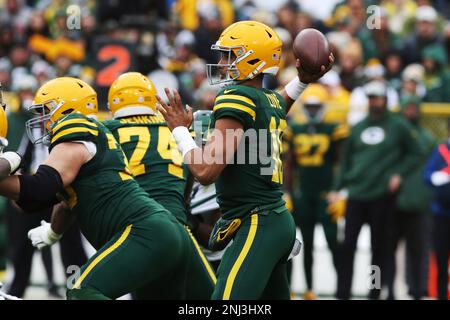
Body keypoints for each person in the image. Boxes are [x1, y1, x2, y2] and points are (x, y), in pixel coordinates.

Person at [156, 20, 333, 299]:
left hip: (256, 224)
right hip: (275, 220)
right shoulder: (266, 100)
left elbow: (204, 171)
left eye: (229, 55)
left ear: (252, 58)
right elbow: (278, 101)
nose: (222, 62)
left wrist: (179, 129)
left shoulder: (236, 98)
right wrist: (302, 81)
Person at [0, 77, 191, 300]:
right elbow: (36, 200)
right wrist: (53, 232)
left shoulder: (76, 126)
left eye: (45, 111)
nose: (41, 120)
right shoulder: (90, 138)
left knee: (82, 290)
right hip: (162, 231)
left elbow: (41, 187)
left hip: (144, 231)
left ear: (67, 109)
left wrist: (12, 160)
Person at [102, 72, 216, 299]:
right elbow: (192, 175)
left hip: (138, 229)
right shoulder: (177, 128)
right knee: (211, 296)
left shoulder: (105, 131)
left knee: (85, 287)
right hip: (178, 227)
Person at [329, 80, 422, 300]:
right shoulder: (358, 127)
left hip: (381, 197)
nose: (374, 102)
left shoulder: (398, 125)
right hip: (357, 195)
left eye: (377, 98)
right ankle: (343, 293)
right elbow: (346, 162)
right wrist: (337, 188)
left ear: (385, 100)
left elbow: (416, 152)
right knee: (348, 246)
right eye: (370, 98)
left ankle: (374, 292)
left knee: (378, 249)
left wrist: (399, 173)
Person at [284, 84, 348, 299]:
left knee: (333, 241)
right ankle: (309, 288)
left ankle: (343, 289)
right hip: (304, 194)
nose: (312, 111)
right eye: (309, 107)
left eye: (316, 107)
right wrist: (287, 192)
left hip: (325, 194)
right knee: (306, 242)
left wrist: (339, 191)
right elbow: (289, 164)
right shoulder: (295, 129)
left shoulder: (333, 129)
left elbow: (342, 163)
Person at [385, 96, 435, 300]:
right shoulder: (393, 135)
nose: (411, 111)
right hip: (392, 201)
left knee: (419, 250)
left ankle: (418, 290)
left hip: (418, 202)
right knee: (386, 251)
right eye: (408, 108)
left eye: (415, 108)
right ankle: (384, 289)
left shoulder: (428, 137)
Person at [423, 119, 450, 300]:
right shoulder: (441, 150)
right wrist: (438, 177)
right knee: (440, 258)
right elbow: (426, 176)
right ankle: (441, 295)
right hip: (442, 214)